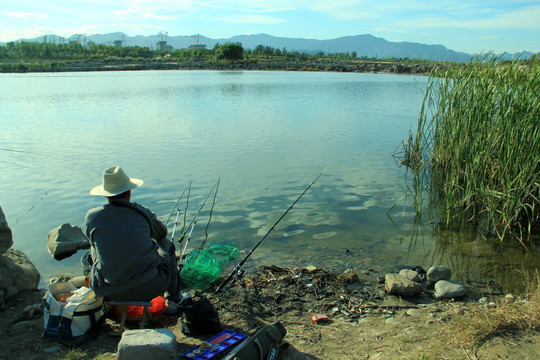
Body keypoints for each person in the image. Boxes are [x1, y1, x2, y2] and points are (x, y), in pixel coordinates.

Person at [85, 166, 183, 314]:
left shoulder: (92, 216)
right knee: (166, 244)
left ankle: (105, 305)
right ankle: (174, 298)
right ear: (129, 192)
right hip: (151, 287)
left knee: (92, 248)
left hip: (107, 291)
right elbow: (161, 233)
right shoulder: (141, 212)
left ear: (106, 195)